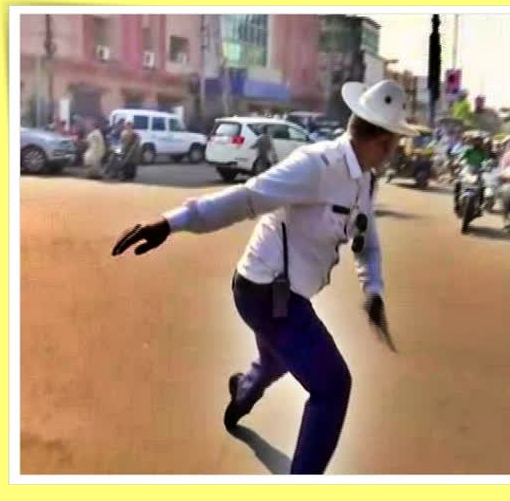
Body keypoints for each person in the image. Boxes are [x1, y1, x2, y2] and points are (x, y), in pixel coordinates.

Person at [111, 80, 416, 475]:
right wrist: (171, 223)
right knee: (333, 387)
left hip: (288, 295)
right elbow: (247, 198)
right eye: (395, 144)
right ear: (383, 142)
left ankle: (242, 393)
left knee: (275, 360)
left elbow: (365, 238)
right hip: (263, 291)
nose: (395, 154)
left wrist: (372, 289)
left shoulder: (364, 180)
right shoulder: (317, 165)